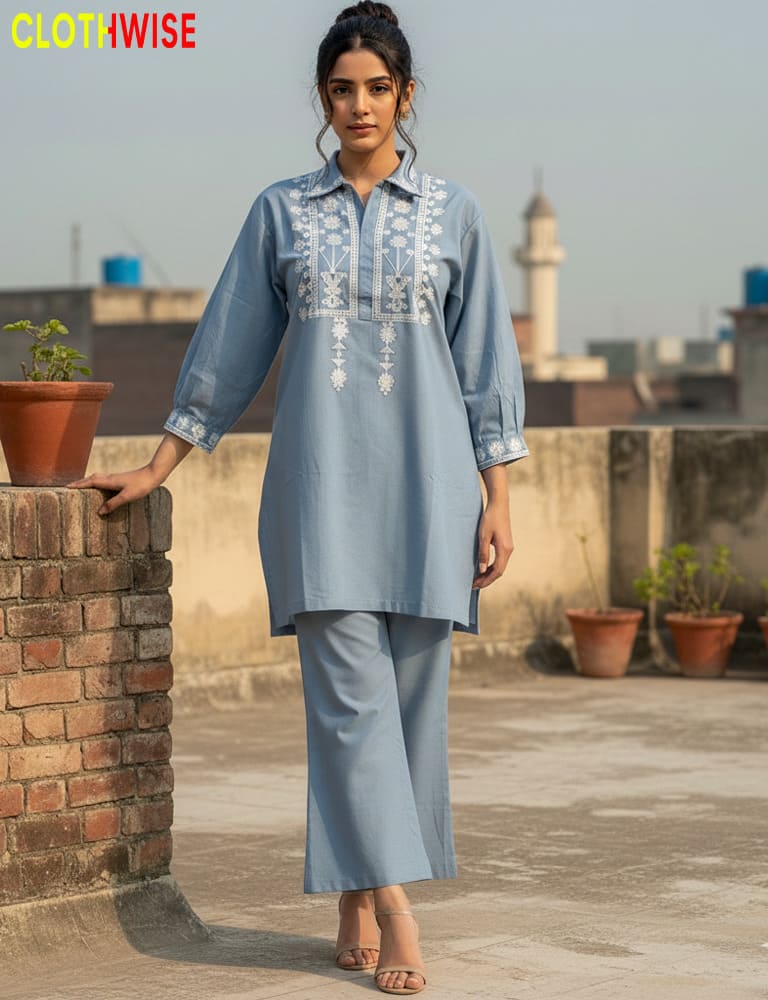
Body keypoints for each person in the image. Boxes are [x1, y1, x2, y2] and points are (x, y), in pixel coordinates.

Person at [70, 3, 529, 994]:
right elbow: (226, 349)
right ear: (322, 99)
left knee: (409, 714)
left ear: (407, 96)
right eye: (341, 89)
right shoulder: (282, 212)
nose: (359, 105)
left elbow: (486, 361)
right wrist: (158, 465)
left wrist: (497, 497)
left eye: (377, 88)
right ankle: (398, 907)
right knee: (351, 707)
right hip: (319, 497)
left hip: (432, 494)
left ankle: (356, 890)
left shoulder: (455, 214)